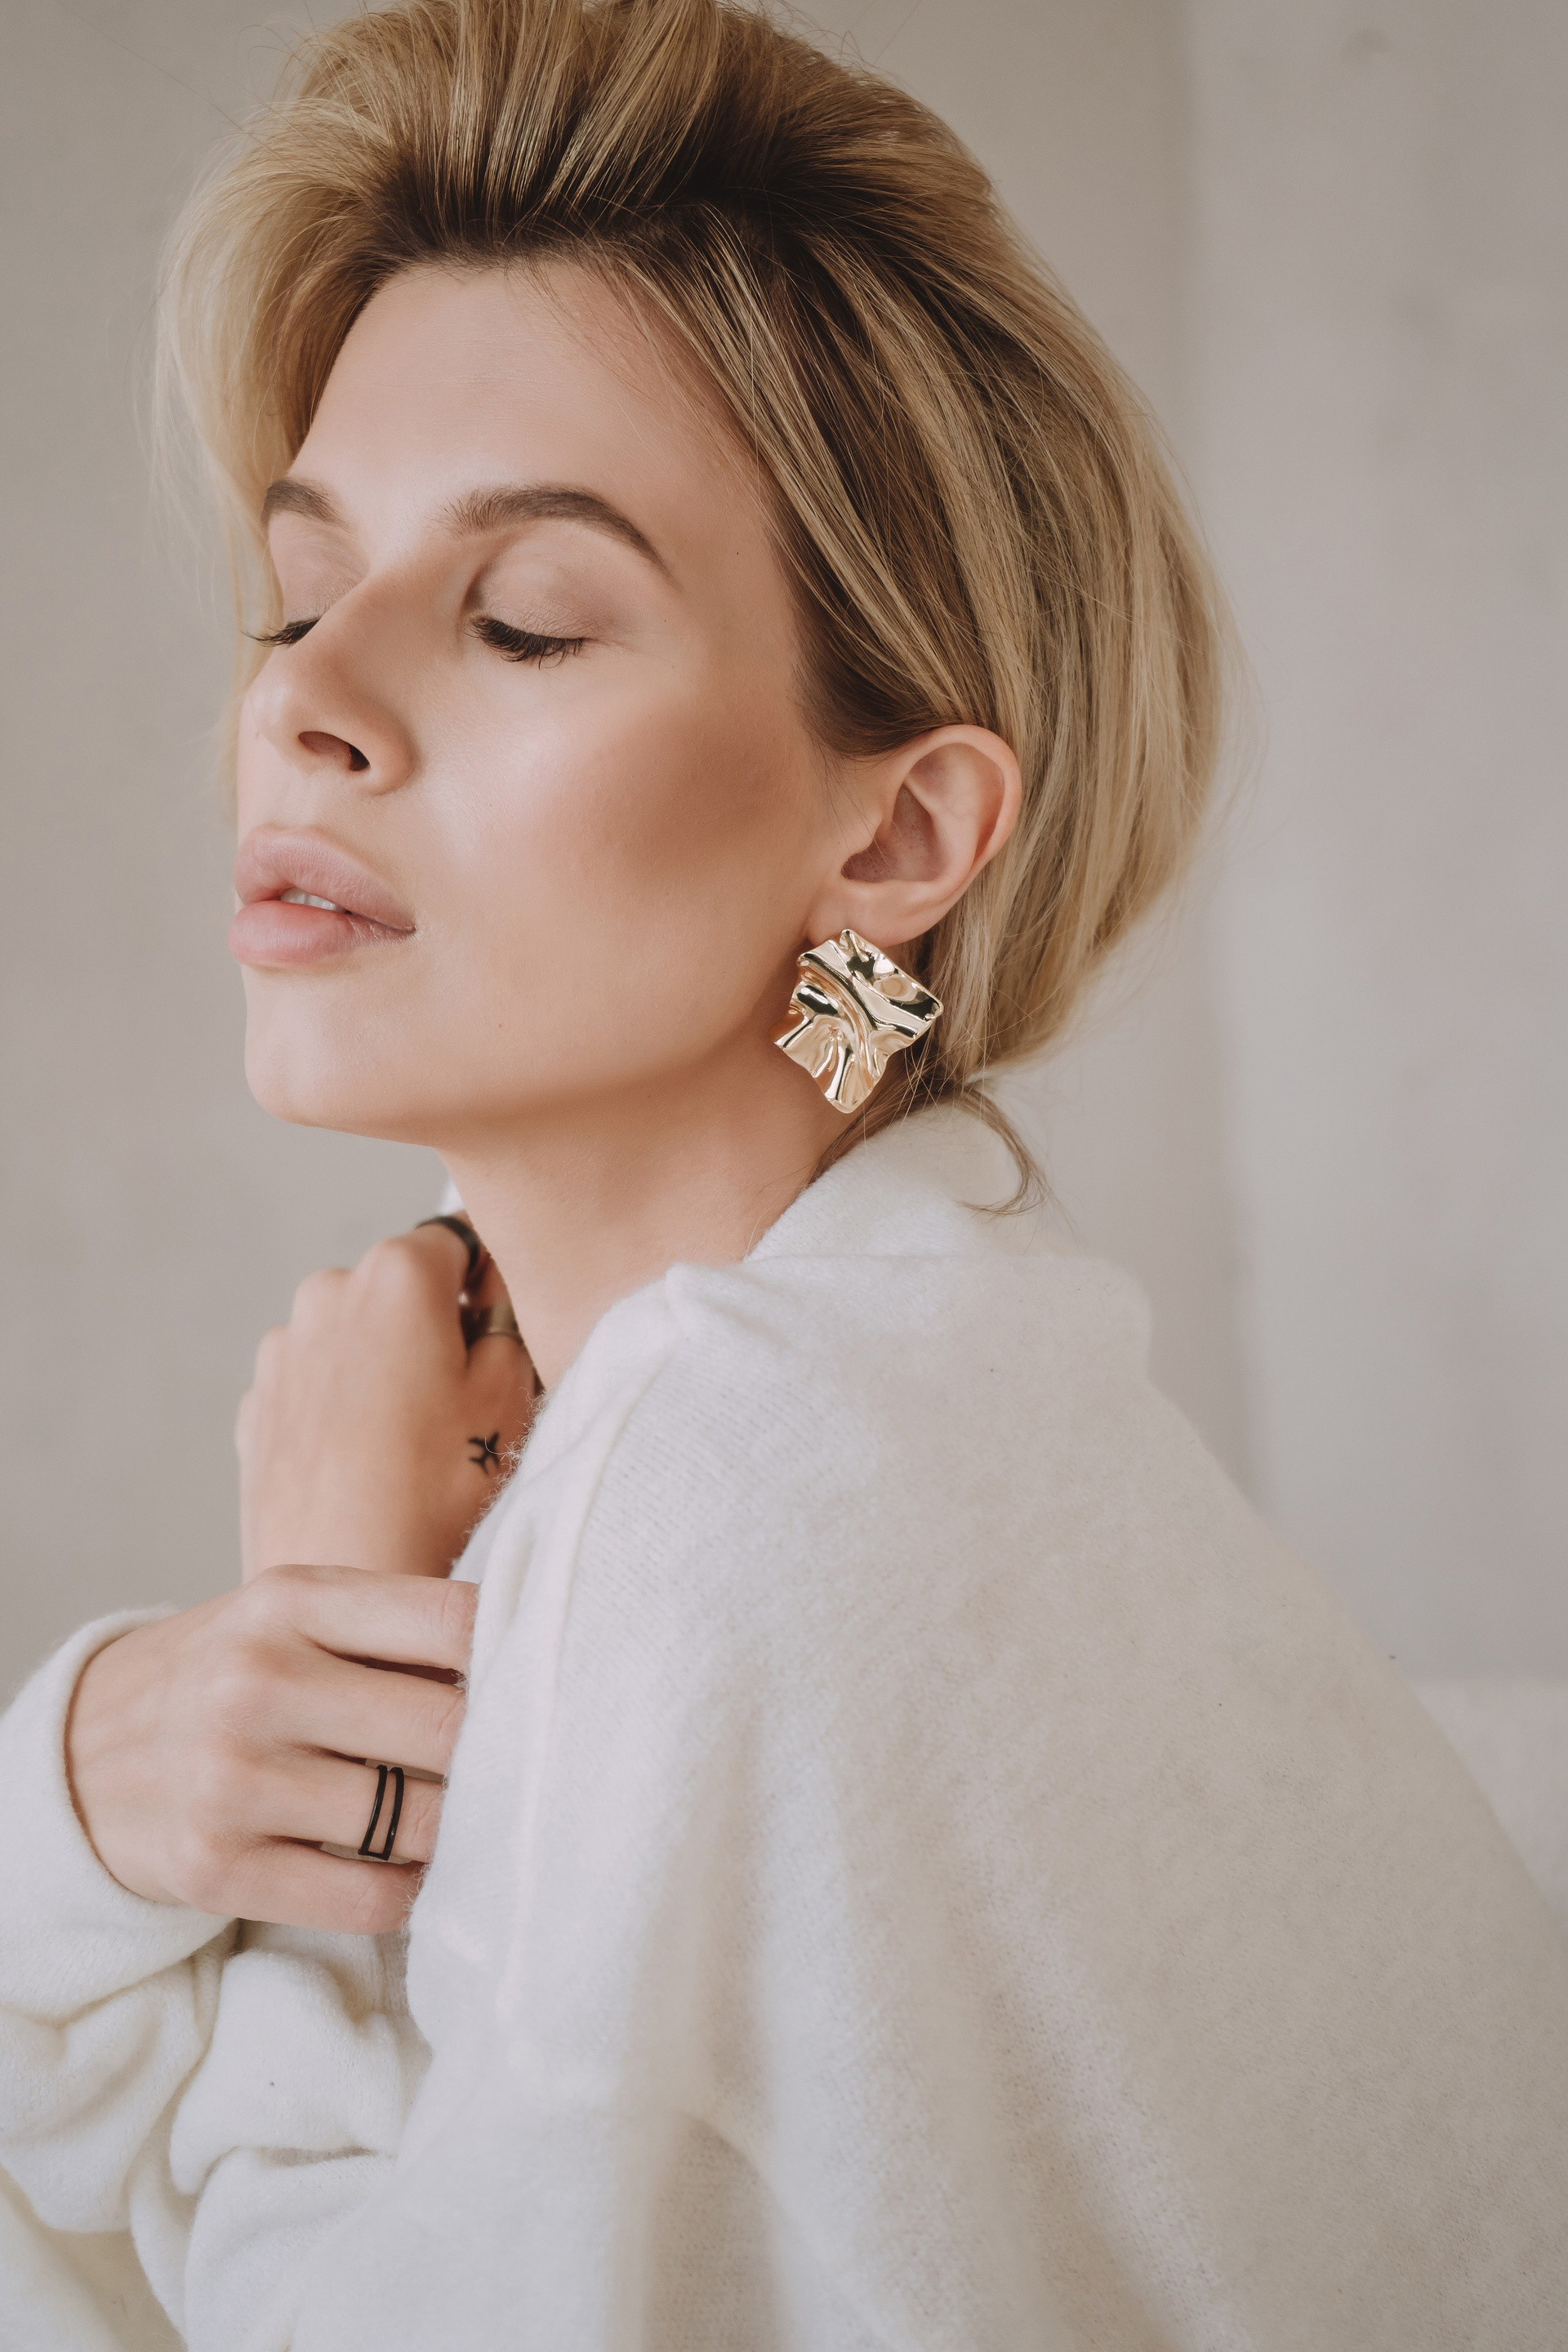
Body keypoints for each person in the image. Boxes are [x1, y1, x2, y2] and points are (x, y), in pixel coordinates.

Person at [3, 1, 1566, 2345]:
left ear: (901, 834)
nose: (305, 699)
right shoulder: (938, 1361)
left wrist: (301, 1646)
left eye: (523, 618)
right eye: (299, 595)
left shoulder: (746, 1481)